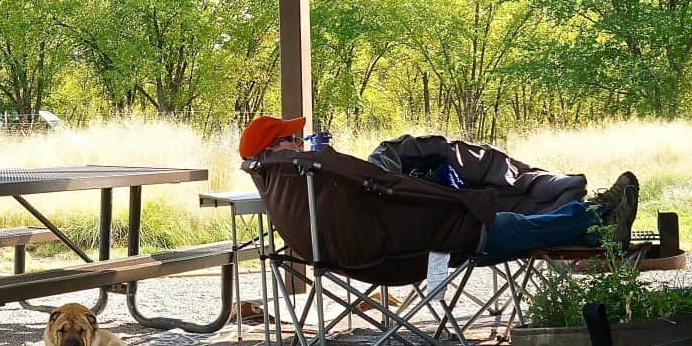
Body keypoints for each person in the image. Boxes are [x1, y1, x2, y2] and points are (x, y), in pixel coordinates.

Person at [238, 114, 638, 256]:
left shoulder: (278, 182)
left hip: (370, 246)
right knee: (503, 226)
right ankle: (597, 212)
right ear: (276, 147)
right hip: (406, 247)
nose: (301, 143)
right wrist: (456, 202)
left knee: (510, 229)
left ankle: (596, 234)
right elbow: (387, 187)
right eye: (292, 139)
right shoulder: (316, 169)